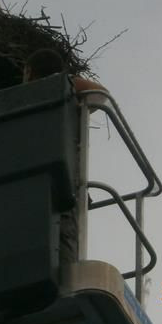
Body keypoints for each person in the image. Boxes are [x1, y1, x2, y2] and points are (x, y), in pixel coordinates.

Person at [22, 48, 107, 264]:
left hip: (41, 182)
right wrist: (79, 106)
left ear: (29, 71)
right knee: (64, 236)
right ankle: (66, 273)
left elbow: (100, 94)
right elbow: (100, 95)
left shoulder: (51, 90)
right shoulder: (60, 97)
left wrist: (70, 88)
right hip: (65, 182)